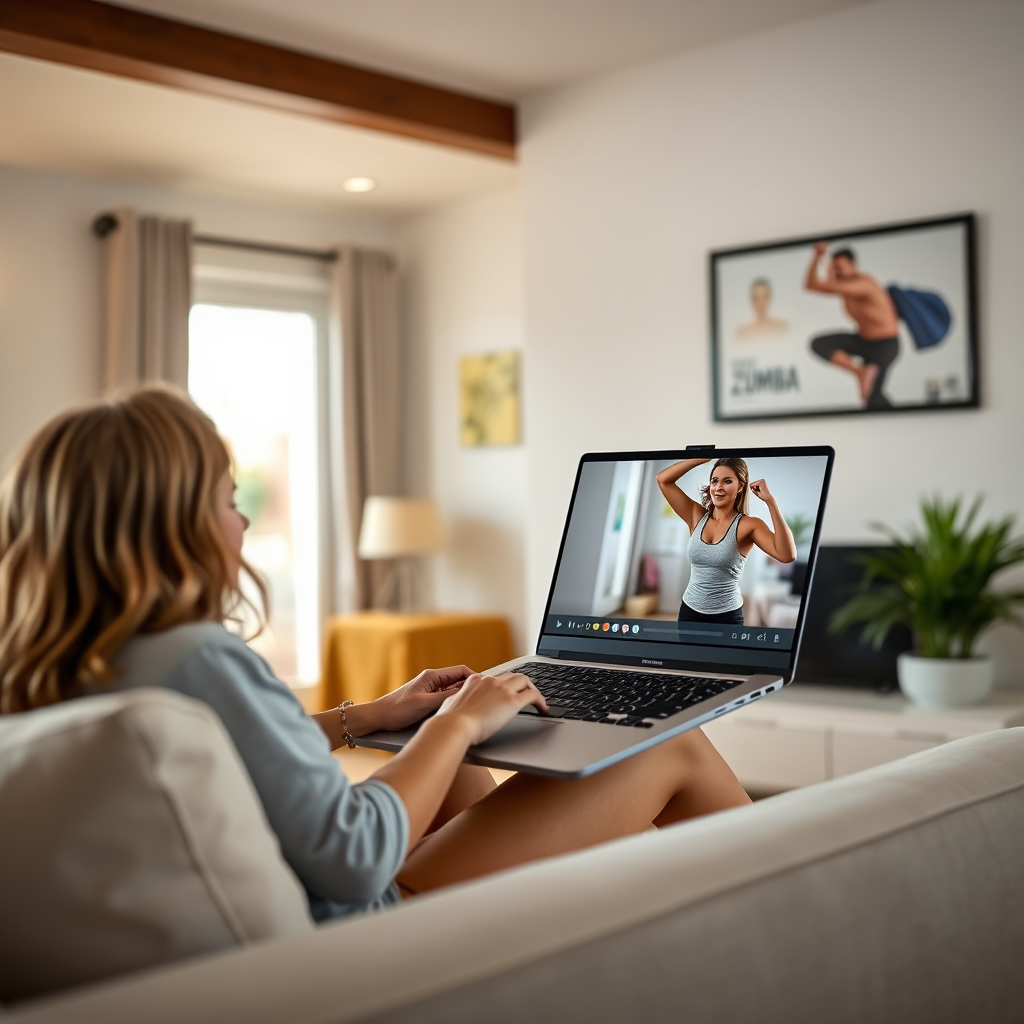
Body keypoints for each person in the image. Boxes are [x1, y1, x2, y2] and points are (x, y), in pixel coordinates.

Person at [0, 387, 750, 920]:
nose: (243, 520)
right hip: (363, 930)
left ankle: (554, 914)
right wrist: (452, 727)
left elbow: (222, 748)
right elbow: (354, 855)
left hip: (308, 889)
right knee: (665, 749)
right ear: (174, 522)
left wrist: (368, 719)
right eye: (229, 500)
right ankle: (785, 902)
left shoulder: (61, 664)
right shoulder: (198, 657)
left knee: (460, 768)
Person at [656, 457, 796, 626]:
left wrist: (770, 501)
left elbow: (787, 555)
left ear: (740, 486)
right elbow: (663, 480)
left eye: (727, 481)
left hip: (726, 617)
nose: (719, 487)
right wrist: (700, 458)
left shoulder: (749, 525)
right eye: (714, 481)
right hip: (689, 612)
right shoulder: (695, 515)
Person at [804, 243, 901, 409]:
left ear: (853, 265)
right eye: (834, 268)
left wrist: (828, 275)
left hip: (885, 345)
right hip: (863, 342)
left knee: (872, 399)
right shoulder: (843, 286)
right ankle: (859, 372)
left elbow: (818, 285)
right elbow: (811, 285)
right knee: (819, 343)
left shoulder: (863, 284)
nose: (836, 272)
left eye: (840, 268)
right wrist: (817, 258)